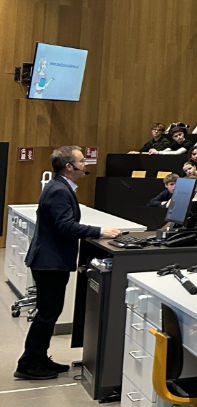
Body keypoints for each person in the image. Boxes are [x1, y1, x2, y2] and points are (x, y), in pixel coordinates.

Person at [16, 147, 123, 380]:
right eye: (82, 161)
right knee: (47, 314)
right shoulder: (58, 191)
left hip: (51, 260)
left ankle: (39, 358)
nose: (85, 165)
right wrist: (100, 231)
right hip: (50, 262)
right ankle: (28, 364)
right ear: (69, 166)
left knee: (49, 312)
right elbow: (65, 226)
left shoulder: (59, 187)